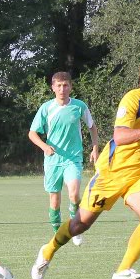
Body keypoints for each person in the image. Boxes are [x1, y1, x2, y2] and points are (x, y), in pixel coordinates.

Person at [31, 55, 140, 279]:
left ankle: (122, 271)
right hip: (111, 173)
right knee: (80, 224)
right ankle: (47, 250)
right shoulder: (133, 100)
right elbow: (120, 136)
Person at [28, 72, 99, 246]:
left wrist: (95, 148)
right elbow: (32, 133)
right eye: (58, 86)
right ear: (53, 87)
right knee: (54, 200)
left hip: (73, 159)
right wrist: (44, 146)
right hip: (52, 161)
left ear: (70, 87)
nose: (62, 89)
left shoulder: (79, 106)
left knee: (74, 194)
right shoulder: (46, 108)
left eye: (65, 85)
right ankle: (58, 234)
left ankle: (75, 229)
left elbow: (92, 127)